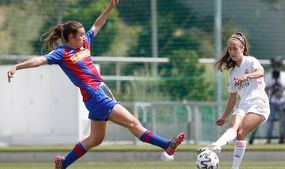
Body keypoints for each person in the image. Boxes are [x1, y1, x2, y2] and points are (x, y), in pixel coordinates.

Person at [6, 1, 184, 169]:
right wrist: (18, 66)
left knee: (95, 139)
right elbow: (39, 60)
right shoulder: (61, 53)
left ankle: (64, 163)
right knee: (133, 122)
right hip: (96, 97)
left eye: (84, 34)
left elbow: (97, 25)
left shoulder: (84, 44)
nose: (84, 37)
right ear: (70, 37)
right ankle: (167, 145)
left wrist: (109, 7)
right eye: (81, 34)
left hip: (99, 95)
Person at [201, 32, 270, 169]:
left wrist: (247, 76)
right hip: (243, 105)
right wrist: (224, 116)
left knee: (241, 132)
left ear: (242, 48)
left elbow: (261, 72)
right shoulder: (232, 73)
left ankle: (235, 167)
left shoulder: (250, 61)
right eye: (229, 48)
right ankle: (217, 145)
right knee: (232, 128)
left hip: (259, 104)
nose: (232, 51)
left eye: (235, 48)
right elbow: (233, 98)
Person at [265, 56, 285, 144]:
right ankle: (268, 139)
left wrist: (283, 87)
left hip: (283, 101)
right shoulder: (268, 77)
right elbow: (264, 90)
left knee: (284, 120)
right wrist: (271, 88)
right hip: (272, 101)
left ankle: (284, 138)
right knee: (269, 119)